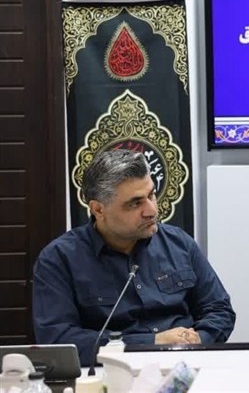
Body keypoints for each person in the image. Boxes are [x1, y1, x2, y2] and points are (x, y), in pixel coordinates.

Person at [32, 149, 235, 366]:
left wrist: (198, 340)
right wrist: (151, 343)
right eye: (135, 203)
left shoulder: (179, 243)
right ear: (98, 209)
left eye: (151, 195)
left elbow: (219, 309)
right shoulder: (59, 259)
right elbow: (59, 339)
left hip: (185, 364)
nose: (151, 211)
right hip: (111, 372)